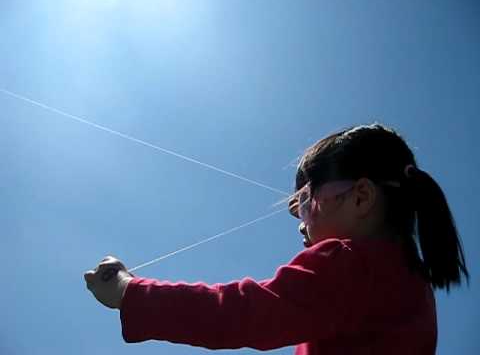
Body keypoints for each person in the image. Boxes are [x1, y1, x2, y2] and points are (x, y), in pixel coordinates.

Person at [84, 123, 469, 354]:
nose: (300, 222)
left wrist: (129, 293)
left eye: (304, 203)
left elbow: (241, 313)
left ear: (362, 197)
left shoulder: (353, 264)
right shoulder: (413, 289)